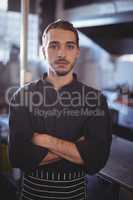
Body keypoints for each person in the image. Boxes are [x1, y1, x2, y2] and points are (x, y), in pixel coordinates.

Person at [8, 19, 112, 200]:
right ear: (43, 51)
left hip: (75, 194)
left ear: (77, 52)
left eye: (69, 46)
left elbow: (97, 159)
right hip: (31, 194)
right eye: (54, 46)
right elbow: (18, 157)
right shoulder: (22, 96)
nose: (61, 53)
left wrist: (45, 140)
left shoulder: (95, 100)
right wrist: (78, 150)